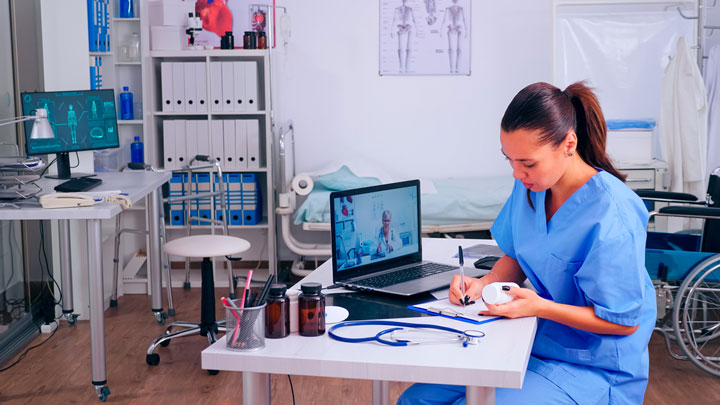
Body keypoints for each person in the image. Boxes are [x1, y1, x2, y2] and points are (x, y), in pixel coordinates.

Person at [397, 82, 656, 404]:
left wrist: (538, 306)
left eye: (528, 163)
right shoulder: (532, 188)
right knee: (415, 400)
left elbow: (623, 323)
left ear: (568, 144)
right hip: (533, 339)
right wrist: (484, 282)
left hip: (594, 364)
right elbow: (519, 253)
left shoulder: (612, 214)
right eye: (510, 160)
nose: (517, 173)